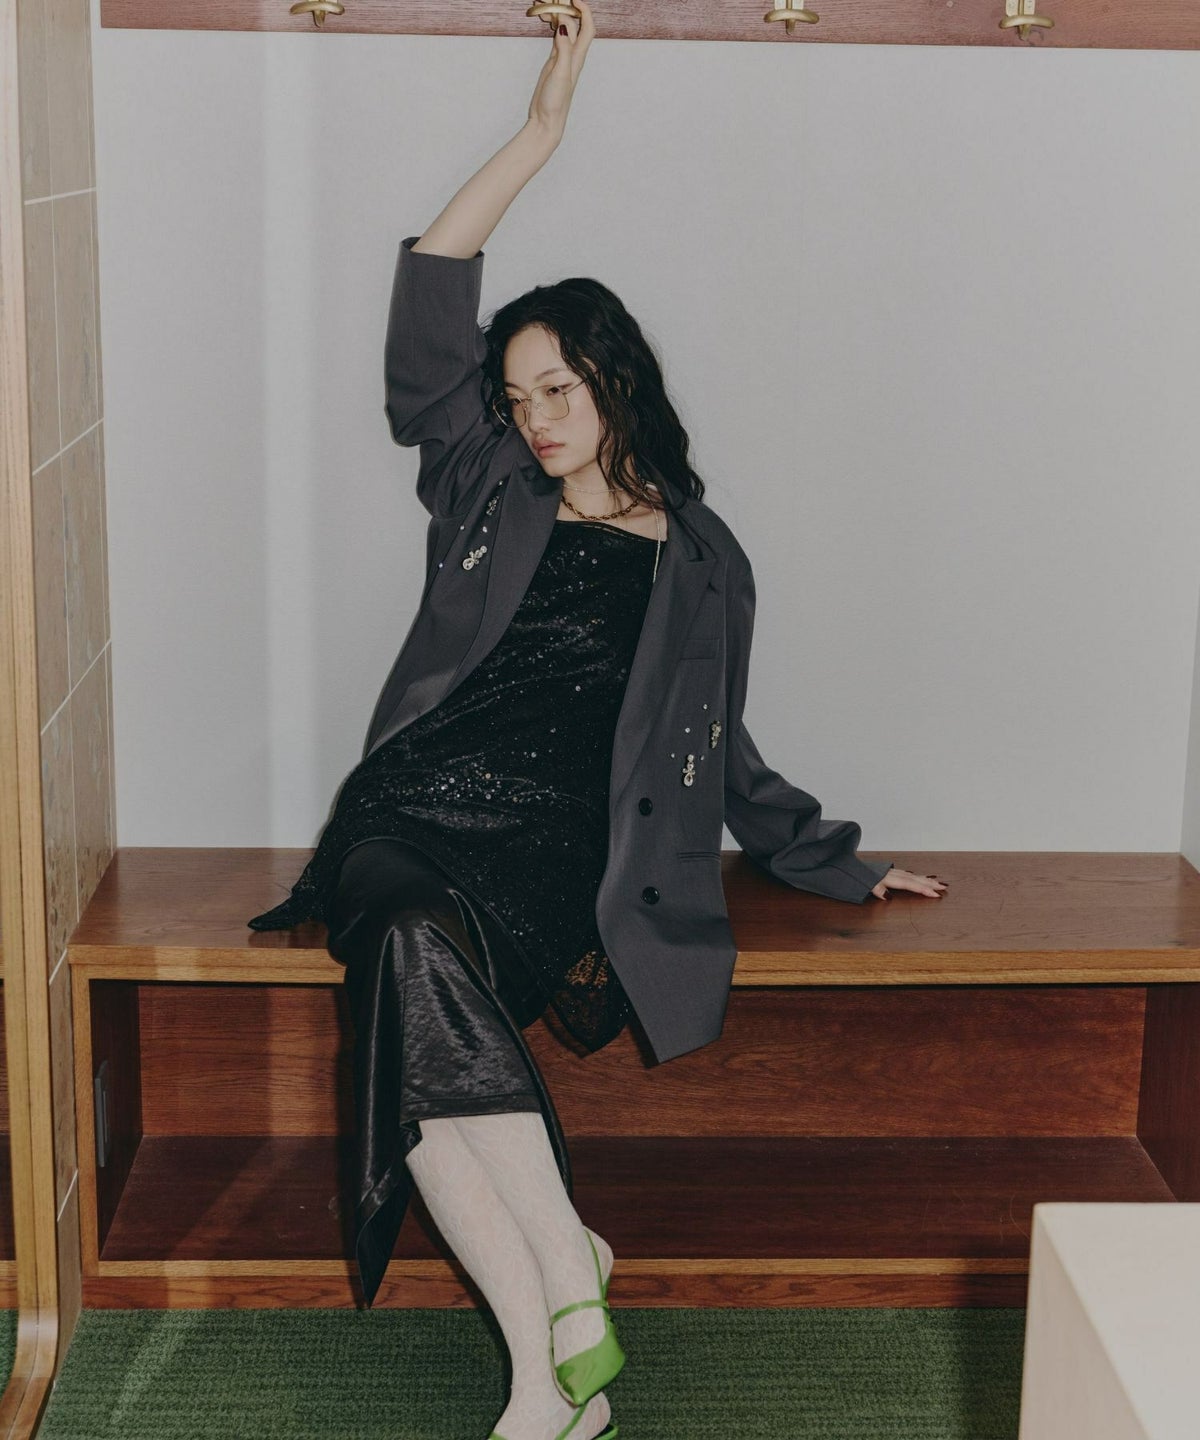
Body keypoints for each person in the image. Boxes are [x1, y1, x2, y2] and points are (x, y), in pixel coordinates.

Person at [248, 4, 947, 1437]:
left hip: (558, 847)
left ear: (615, 382)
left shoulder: (702, 560)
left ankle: (554, 1371)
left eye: (558, 389)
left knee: (405, 1018)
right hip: (411, 813)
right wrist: (540, 135)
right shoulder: (487, 486)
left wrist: (834, 859)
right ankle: (563, 1297)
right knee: (401, 933)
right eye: (517, 397)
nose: (537, 417)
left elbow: (720, 748)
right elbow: (430, 306)